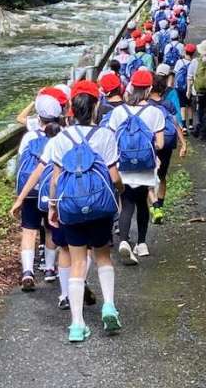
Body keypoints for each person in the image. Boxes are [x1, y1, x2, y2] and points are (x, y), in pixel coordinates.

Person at [47, 80, 125, 342]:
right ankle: (109, 306)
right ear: (95, 106)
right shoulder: (105, 136)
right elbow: (114, 177)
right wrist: (120, 191)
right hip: (100, 207)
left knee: (78, 262)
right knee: (103, 256)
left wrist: (53, 206)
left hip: (70, 207)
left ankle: (77, 325)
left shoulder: (61, 138)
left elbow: (55, 179)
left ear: (72, 107)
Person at [109, 70, 165, 264]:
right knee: (142, 203)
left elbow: (111, 140)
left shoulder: (118, 112)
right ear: (149, 89)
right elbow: (160, 144)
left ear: (131, 87)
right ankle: (141, 244)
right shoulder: (155, 112)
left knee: (127, 204)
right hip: (145, 166)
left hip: (123, 166)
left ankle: (124, 240)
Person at [14, 94, 62, 291]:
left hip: (31, 191)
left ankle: (27, 272)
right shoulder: (62, 136)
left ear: (39, 117)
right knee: (50, 228)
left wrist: (20, 197)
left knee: (29, 230)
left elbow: (21, 163)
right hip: (51, 190)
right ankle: (50, 269)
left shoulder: (29, 136)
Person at [149, 74, 187, 224]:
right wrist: (183, 144)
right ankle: (160, 206)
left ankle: (154, 207)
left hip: (152, 144)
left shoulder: (146, 105)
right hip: (167, 144)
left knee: (148, 177)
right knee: (162, 176)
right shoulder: (168, 104)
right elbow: (175, 124)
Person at [174, 43, 196, 134]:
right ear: (193, 53)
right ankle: (191, 124)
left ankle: (184, 126)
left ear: (185, 51)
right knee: (190, 105)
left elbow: (175, 73)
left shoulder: (179, 62)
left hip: (180, 87)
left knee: (182, 106)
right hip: (190, 87)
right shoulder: (194, 63)